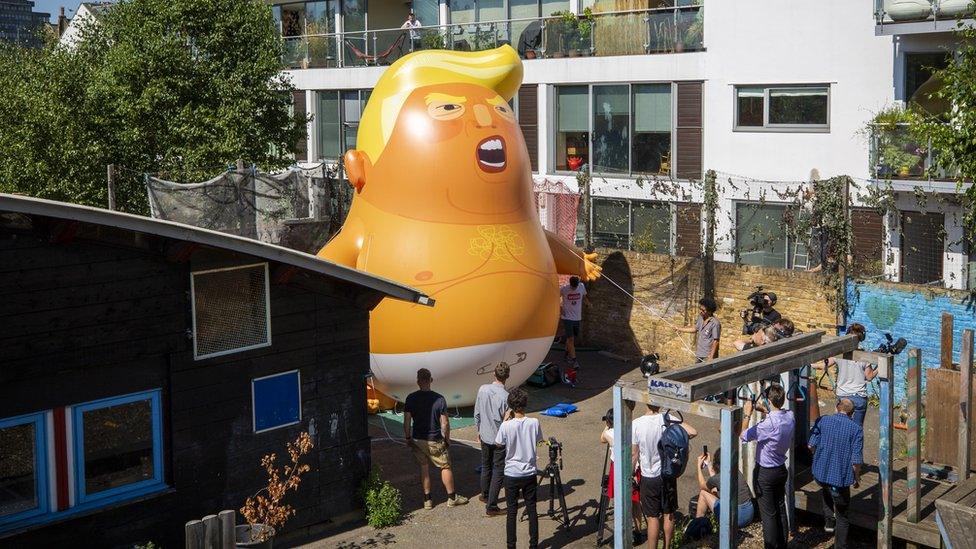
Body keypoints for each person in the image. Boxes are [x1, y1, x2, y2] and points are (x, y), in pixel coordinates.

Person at [632, 404, 698, 549]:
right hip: (668, 473)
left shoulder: (636, 424)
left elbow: (634, 454)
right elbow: (693, 432)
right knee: (669, 513)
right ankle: (668, 547)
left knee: (652, 518)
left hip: (648, 475)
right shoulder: (667, 418)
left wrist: (631, 474)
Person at [403, 368, 469, 509]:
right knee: (445, 466)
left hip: (417, 439)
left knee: (424, 466)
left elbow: (407, 420)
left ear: (418, 382)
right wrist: (447, 439)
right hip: (434, 439)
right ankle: (452, 498)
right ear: (431, 380)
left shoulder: (410, 398)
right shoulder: (439, 399)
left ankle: (427, 500)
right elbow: (444, 423)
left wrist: (408, 437)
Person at [741, 384, 794, 549]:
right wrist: (766, 411)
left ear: (769, 400)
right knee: (780, 508)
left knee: (768, 515)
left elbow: (744, 435)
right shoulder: (790, 416)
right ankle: (782, 544)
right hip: (780, 468)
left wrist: (746, 414)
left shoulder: (768, 424)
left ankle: (771, 546)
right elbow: (777, 416)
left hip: (765, 472)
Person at [808, 399, 863, 549]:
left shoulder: (823, 420)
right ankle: (840, 545)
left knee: (825, 486)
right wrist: (856, 477)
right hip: (840, 479)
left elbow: (811, 445)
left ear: (836, 408)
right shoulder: (856, 429)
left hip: (820, 473)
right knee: (843, 515)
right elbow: (856, 460)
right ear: (852, 414)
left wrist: (818, 456)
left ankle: (828, 520)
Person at [495, 388, 543, 549]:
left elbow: (498, 443)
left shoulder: (506, 426)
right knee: (532, 509)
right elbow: (539, 440)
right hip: (529, 472)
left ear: (510, 406)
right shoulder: (534, 422)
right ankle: (533, 544)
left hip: (511, 473)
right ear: (525, 404)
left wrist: (505, 420)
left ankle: (511, 545)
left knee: (512, 512)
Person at [816, 323, 876, 426]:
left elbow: (823, 366)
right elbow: (869, 377)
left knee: (841, 428)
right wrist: (879, 368)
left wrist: (809, 364)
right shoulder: (864, 356)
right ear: (861, 338)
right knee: (856, 430)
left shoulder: (839, 354)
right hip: (859, 396)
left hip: (842, 396)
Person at [601, 408, 643, 540]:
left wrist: (606, 425)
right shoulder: (632, 430)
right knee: (635, 502)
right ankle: (638, 531)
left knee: (619, 501)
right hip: (634, 468)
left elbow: (602, 438)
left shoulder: (609, 433)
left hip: (618, 468)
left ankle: (622, 532)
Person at [475, 363, 510, 517]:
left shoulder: (482, 389)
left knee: (485, 465)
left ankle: (485, 494)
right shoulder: (506, 396)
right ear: (507, 377)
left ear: (494, 375)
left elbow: (477, 413)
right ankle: (492, 505)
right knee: (498, 470)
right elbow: (506, 420)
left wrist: (478, 430)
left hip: (484, 434)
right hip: (498, 437)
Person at [695, 448, 755, 528]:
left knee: (703, 493)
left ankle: (697, 525)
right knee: (714, 491)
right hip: (749, 515)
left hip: (736, 519)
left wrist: (698, 467)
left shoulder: (718, 478)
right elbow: (715, 481)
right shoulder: (736, 471)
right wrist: (708, 463)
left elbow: (702, 485)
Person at [676, 297, 721, 363]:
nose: (701, 312)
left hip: (708, 355)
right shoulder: (701, 318)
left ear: (710, 311)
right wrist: (679, 329)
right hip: (699, 353)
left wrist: (711, 357)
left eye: (703, 310)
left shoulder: (715, 323)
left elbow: (716, 341)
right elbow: (695, 328)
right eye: (700, 309)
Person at [560, 275, 590, 366]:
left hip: (577, 318)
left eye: (575, 287)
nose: (574, 288)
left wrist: (588, 303)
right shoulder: (564, 289)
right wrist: (560, 310)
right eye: (572, 287)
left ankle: (566, 355)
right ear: (570, 284)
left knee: (571, 339)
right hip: (567, 318)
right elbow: (556, 297)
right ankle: (574, 361)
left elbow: (584, 296)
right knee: (571, 339)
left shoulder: (581, 286)